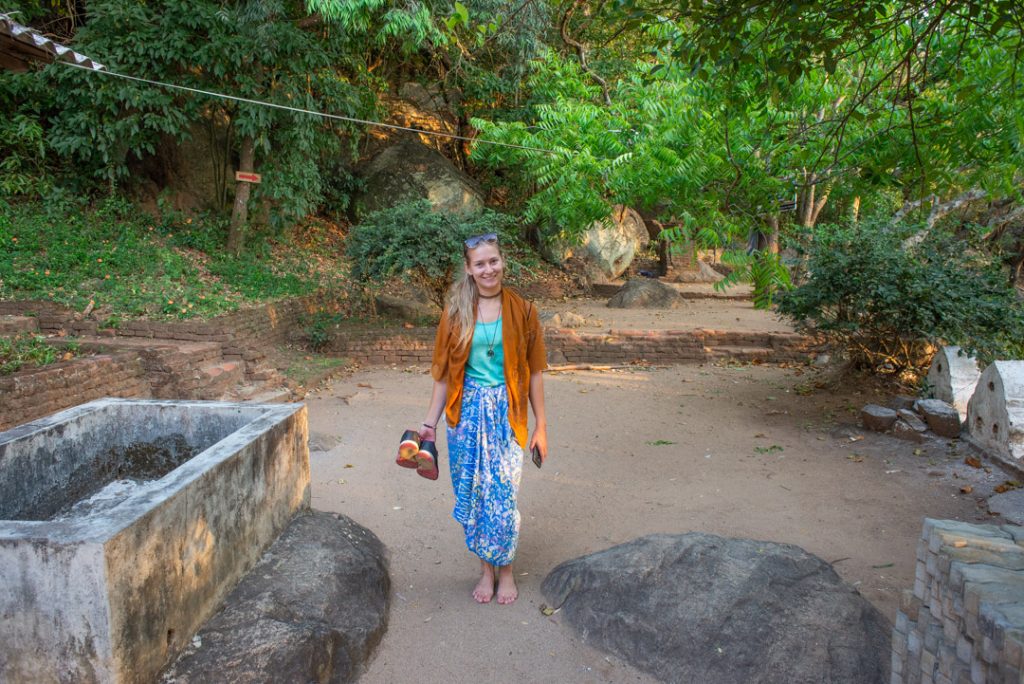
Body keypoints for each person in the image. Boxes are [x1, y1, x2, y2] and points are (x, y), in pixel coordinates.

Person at [416, 232, 548, 605]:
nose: (488, 269)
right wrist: (429, 423)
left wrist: (542, 426)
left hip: (507, 414)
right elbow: (443, 375)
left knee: (502, 493)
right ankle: (485, 570)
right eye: (480, 264)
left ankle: (505, 569)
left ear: (502, 262)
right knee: (474, 493)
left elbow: (535, 372)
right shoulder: (456, 311)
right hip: (465, 414)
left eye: (493, 261)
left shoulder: (523, 311)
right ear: (469, 270)